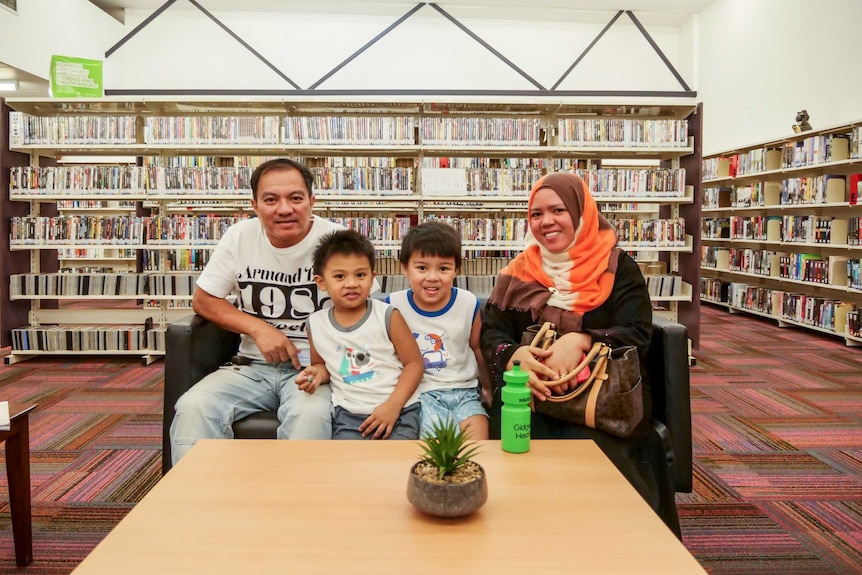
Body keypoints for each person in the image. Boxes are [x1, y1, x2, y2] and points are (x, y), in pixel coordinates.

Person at [480, 171, 679, 533]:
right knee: (515, 445)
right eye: (536, 214)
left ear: (581, 212)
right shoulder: (518, 271)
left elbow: (637, 331)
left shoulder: (617, 267)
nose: (546, 222)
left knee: (591, 455)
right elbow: (492, 330)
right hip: (533, 395)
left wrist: (584, 338)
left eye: (557, 210)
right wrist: (513, 355)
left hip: (601, 400)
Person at [169, 158, 344, 465]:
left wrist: (328, 364)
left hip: (315, 370)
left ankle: (293, 509)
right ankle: (198, 506)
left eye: (296, 198)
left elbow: (366, 310)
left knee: (311, 415)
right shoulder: (239, 237)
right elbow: (204, 300)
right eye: (271, 200)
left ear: (312, 201)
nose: (284, 209)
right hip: (251, 367)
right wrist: (259, 329)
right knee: (194, 406)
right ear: (254, 205)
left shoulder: (338, 241)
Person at [297, 229, 424, 440]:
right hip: (349, 414)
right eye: (339, 276)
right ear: (321, 282)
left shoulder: (387, 315)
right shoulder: (315, 324)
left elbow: (414, 364)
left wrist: (393, 406)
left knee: (396, 466)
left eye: (360, 275)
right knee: (348, 468)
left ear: (372, 278)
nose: (351, 283)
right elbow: (323, 365)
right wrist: (317, 374)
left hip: (399, 410)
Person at [387, 221, 490, 440]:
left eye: (443, 268)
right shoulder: (392, 307)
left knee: (479, 446)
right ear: (404, 267)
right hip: (422, 394)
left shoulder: (468, 303)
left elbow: (477, 348)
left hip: (466, 392)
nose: (432, 277)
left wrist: (489, 388)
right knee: (439, 449)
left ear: (456, 270)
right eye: (422, 268)